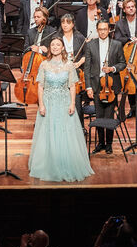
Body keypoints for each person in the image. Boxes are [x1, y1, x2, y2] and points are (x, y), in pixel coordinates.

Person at [27, 35, 94, 182]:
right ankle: (49, 163)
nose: (55, 47)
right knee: (48, 133)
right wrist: (41, 105)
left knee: (65, 133)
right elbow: (40, 86)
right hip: (49, 103)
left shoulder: (69, 65)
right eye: (53, 45)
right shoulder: (44, 65)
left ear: (63, 47)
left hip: (64, 103)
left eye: (58, 45)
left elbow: (72, 86)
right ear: (50, 48)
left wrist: (72, 104)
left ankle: (66, 163)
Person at [82, 18, 124, 154]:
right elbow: (87, 68)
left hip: (111, 85)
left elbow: (122, 63)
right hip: (96, 85)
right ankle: (100, 143)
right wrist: (88, 87)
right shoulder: (90, 45)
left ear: (109, 30)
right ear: (97, 30)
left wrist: (112, 68)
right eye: (100, 29)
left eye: (105, 29)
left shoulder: (117, 44)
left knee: (109, 115)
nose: (103, 32)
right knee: (99, 115)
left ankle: (109, 144)